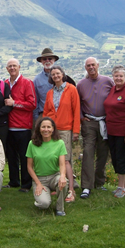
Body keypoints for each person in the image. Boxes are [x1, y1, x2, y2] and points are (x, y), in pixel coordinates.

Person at [77, 57, 114, 198]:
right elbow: (77, 102)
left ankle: (100, 182)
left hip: (105, 122)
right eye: (88, 65)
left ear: (98, 65)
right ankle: (87, 186)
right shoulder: (81, 84)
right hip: (89, 122)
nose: (91, 67)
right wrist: (81, 117)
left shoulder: (107, 81)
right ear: (85, 68)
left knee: (103, 153)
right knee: (87, 152)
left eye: (93, 64)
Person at [43, 65, 80, 203]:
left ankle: (71, 189)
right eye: (53, 75)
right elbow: (46, 112)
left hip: (65, 129)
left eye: (58, 73)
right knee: (54, 159)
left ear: (63, 75)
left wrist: (76, 131)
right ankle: (58, 186)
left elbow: (76, 110)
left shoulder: (71, 89)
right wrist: (44, 128)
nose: (56, 76)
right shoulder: (50, 93)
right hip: (52, 130)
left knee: (66, 160)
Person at [103, 65, 125, 198]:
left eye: (121, 76)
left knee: (122, 160)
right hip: (112, 131)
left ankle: (120, 188)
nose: (118, 78)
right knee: (116, 159)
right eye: (116, 76)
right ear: (113, 77)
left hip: (124, 132)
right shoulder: (113, 89)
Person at [4, 58, 37, 192]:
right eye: (9, 66)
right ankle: (13, 181)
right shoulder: (5, 83)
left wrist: (15, 103)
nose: (12, 68)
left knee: (24, 157)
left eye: (14, 66)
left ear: (19, 67)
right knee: (11, 156)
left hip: (23, 126)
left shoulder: (27, 83)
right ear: (7, 69)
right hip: (8, 126)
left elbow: (32, 104)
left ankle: (26, 184)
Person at [26, 117, 68, 216]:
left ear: (53, 129)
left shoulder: (59, 143)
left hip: (54, 176)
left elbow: (62, 164)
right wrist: (38, 183)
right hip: (40, 179)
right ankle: (41, 200)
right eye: (43, 127)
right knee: (44, 204)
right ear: (39, 129)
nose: (46, 130)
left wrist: (62, 176)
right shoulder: (32, 144)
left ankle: (60, 208)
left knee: (64, 181)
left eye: (48, 127)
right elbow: (29, 167)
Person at [33, 48, 76, 124]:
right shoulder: (37, 80)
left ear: (54, 60)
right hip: (44, 114)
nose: (47, 61)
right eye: (44, 59)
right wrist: (37, 118)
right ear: (41, 62)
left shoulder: (65, 78)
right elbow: (35, 100)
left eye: (50, 58)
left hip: (63, 115)